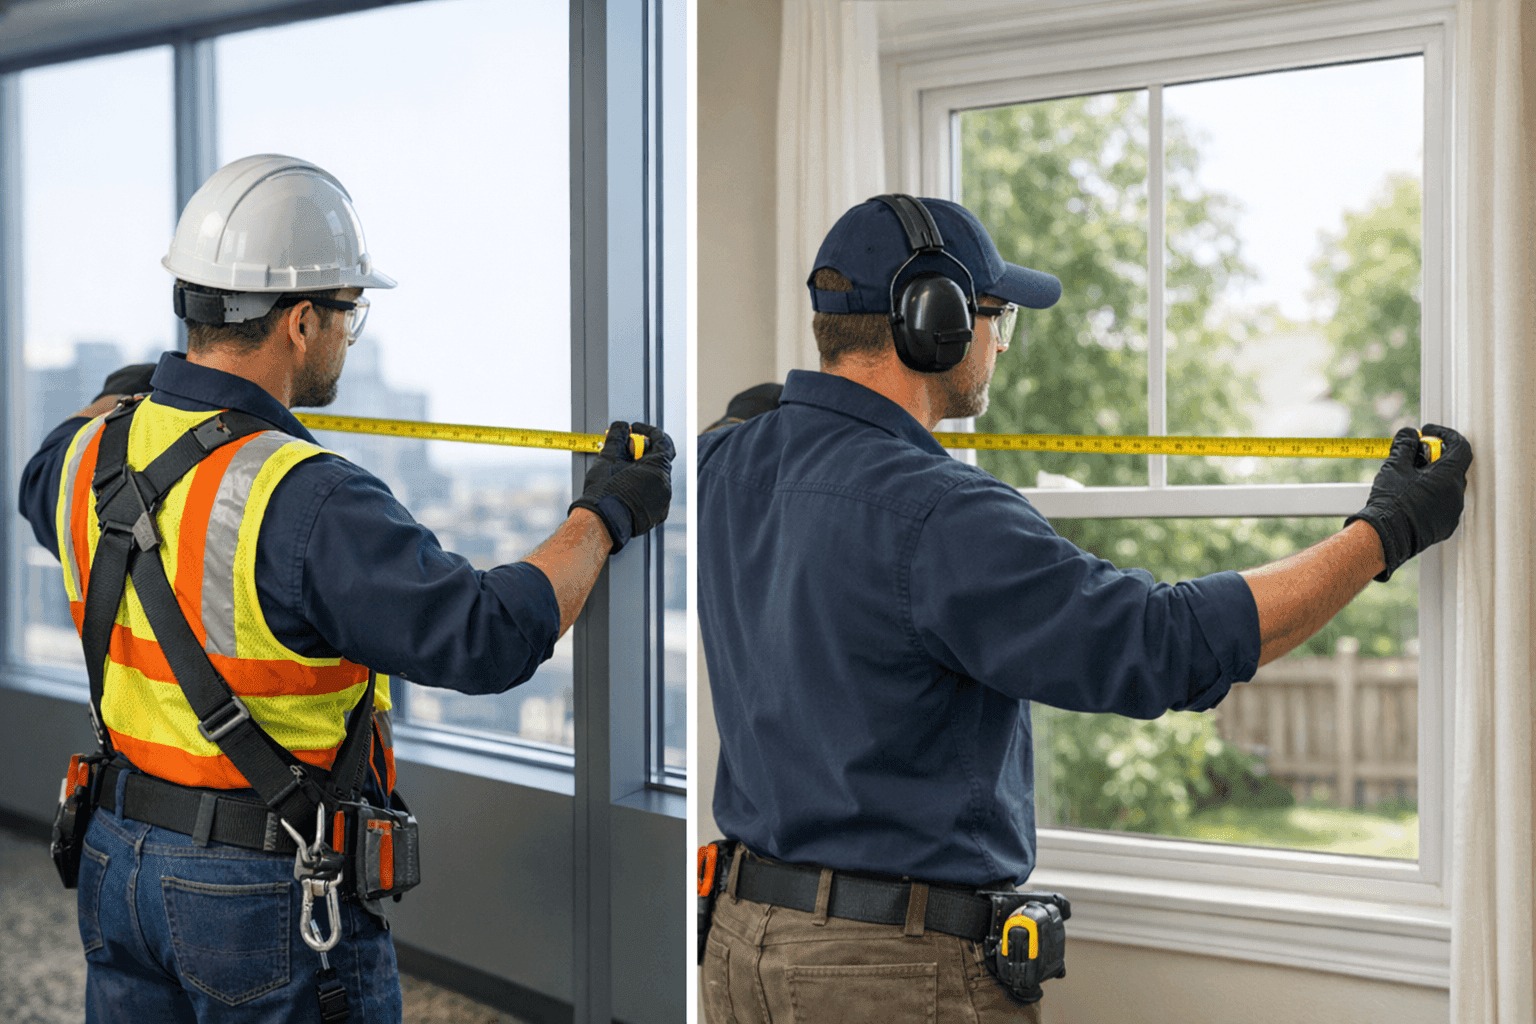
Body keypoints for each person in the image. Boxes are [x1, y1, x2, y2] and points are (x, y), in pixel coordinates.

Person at [695, 194, 1470, 1023]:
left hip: (737, 947)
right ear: (934, 319)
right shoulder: (943, 513)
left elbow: (729, 445)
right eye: (994, 316)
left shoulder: (723, 462)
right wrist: (1381, 535)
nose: (997, 342)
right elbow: (1161, 644)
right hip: (882, 976)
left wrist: (776, 419)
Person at [17, 154, 673, 1024]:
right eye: (346, 312)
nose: (346, 334)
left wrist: (115, 397)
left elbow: (38, 475)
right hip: (257, 892)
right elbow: (487, 634)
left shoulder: (82, 457)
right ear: (299, 321)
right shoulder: (307, 494)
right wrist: (604, 514)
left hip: (114, 858)